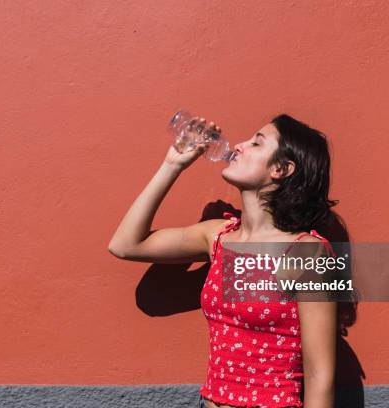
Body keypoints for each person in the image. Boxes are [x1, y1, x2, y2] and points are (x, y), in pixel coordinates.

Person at [108, 114, 338, 407]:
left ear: (282, 168)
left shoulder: (308, 253)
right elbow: (126, 244)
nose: (240, 145)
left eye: (257, 143)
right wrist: (172, 165)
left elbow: (320, 376)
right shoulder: (218, 236)